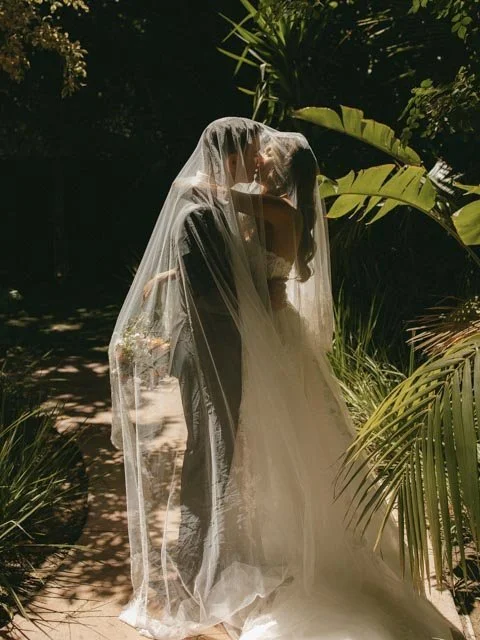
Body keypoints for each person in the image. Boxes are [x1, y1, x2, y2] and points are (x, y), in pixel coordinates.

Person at [109, 118, 464, 639]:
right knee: (274, 445)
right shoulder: (270, 208)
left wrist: (192, 182)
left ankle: (281, 550)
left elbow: (218, 202)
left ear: (284, 172)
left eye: (269, 159)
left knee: (270, 443)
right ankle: (263, 542)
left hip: (268, 338)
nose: (261, 160)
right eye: (257, 155)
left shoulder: (273, 208)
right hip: (268, 334)